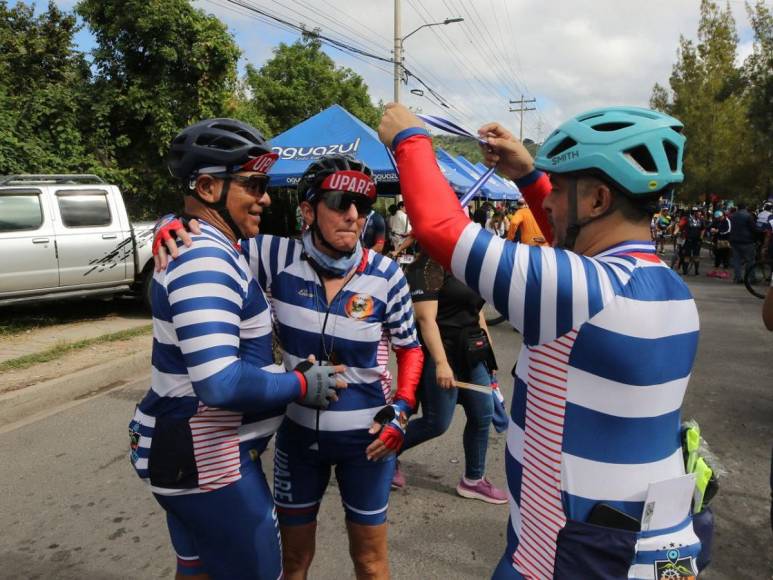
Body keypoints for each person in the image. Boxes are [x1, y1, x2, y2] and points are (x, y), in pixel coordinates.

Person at [379, 103, 705, 578]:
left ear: (597, 200)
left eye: (560, 191)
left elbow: (440, 229)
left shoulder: (584, 291)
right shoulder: (667, 287)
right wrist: (529, 176)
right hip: (645, 549)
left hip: (564, 557)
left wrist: (409, 139)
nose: (547, 205)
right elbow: (567, 245)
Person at [154, 154, 424, 580]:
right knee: (292, 564)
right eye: (339, 202)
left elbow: (412, 349)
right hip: (297, 440)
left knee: (371, 564)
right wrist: (169, 224)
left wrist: (404, 411)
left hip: (366, 444)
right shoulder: (273, 254)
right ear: (307, 210)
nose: (354, 216)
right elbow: (210, 237)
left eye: (364, 206)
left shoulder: (387, 274)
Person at [135, 118, 343, 580]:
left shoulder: (219, 245)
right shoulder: (204, 255)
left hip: (188, 452)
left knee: (197, 569)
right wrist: (298, 383)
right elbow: (219, 383)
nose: (265, 198)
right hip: (208, 458)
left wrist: (171, 220)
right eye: (253, 185)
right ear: (208, 186)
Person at [395, 249, 507, 503]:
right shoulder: (426, 266)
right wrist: (442, 363)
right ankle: (387, 452)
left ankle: (473, 480)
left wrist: (489, 355)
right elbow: (425, 319)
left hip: (472, 352)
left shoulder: (468, 265)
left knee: (483, 415)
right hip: (440, 353)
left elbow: (476, 311)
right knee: (437, 423)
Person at [729, 202, 760, 283]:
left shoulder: (733, 216)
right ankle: (751, 278)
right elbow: (753, 228)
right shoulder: (748, 216)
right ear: (745, 207)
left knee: (736, 260)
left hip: (734, 241)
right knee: (750, 260)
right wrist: (758, 237)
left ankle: (737, 278)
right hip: (747, 241)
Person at [679, 206, 705, 276]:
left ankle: (696, 271)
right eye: (697, 212)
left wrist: (701, 237)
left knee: (696, 256)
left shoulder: (701, 220)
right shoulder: (687, 219)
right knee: (687, 255)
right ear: (694, 213)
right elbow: (680, 226)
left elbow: (703, 229)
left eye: (699, 212)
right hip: (688, 240)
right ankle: (685, 270)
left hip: (697, 240)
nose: (699, 213)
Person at [708, 210, 731, 276]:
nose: (718, 219)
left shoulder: (727, 221)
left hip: (725, 241)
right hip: (717, 241)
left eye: (719, 217)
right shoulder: (716, 221)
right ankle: (715, 271)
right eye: (717, 218)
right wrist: (711, 230)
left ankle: (725, 272)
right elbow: (711, 226)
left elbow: (728, 230)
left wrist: (718, 231)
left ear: (723, 216)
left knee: (725, 257)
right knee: (717, 256)